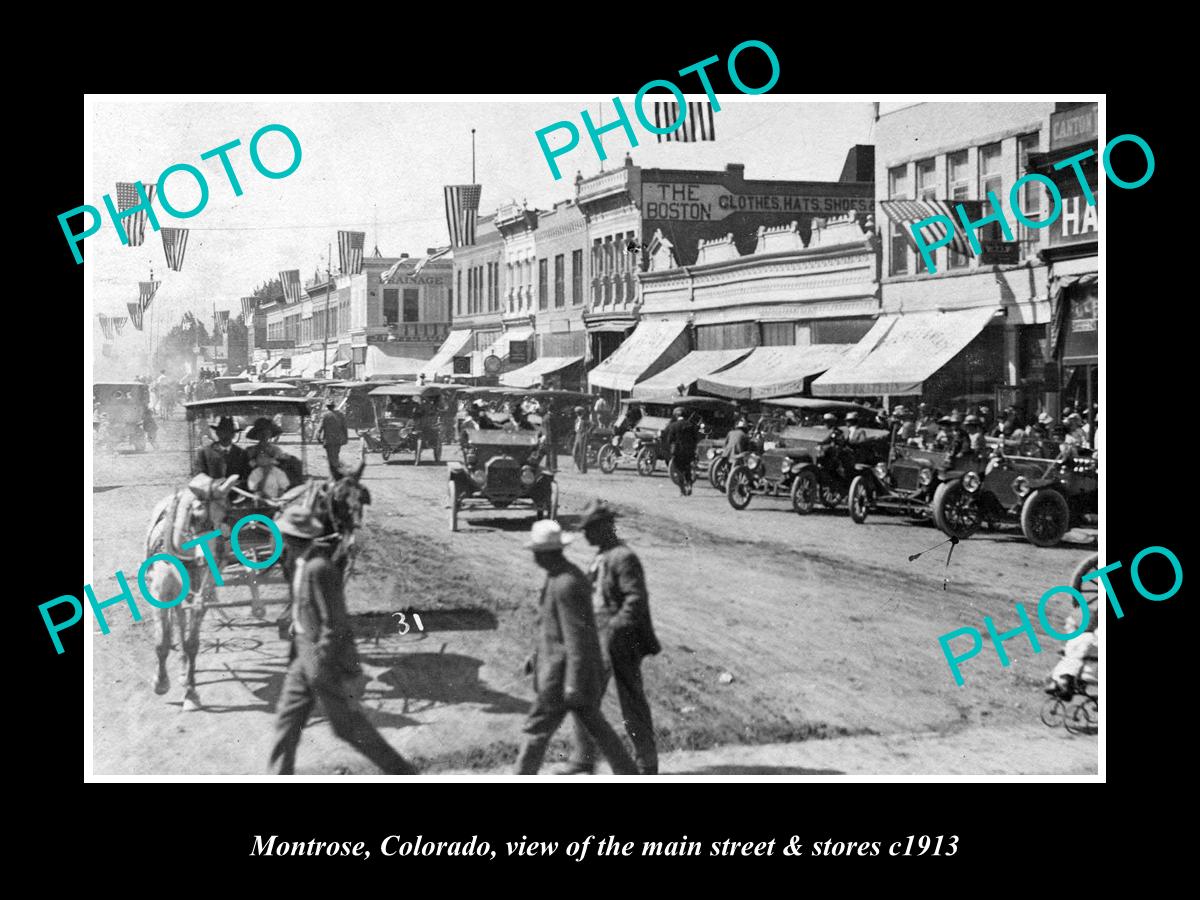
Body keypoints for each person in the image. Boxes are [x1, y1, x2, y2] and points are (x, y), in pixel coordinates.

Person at [268, 506, 418, 775]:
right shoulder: (299, 563)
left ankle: (403, 774)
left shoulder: (319, 568)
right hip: (303, 660)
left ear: (291, 539)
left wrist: (319, 666)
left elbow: (334, 624)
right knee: (286, 723)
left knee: (349, 728)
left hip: (321, 663)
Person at [513, 520, 639, 775]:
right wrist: (535, 657)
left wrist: (572, 684)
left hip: (562, 679)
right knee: (599, 729)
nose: (535, 558)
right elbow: (553, 631)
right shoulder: (559, 577)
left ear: (547, 553)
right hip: (569, 675)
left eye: (537, 552)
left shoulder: (566, 583)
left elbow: (577, 638)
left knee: (535, 732)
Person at [562, 500, 662, 775]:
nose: (585, 535)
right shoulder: (602, 556)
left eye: (590, 529)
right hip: (600, 638)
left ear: (605, 528)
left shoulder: (623, 557)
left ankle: (646, 765)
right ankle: (583, 758)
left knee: (632, 705)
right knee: (584, 697)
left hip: (623, 641)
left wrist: (616, 628)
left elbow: (635, 599)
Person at [197, 416, 250, 482]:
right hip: (212, 490)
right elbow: (200, 476)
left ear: (233, 435)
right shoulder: (205, 452)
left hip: (235, 491)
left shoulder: (242, 453)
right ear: (217, 433)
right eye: (223, 432)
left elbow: (245, 476)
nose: (226, 435)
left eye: (229, 432)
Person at [661, 406, 700, 496]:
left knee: (678, 470)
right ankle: (689, 484)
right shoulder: (691, 425)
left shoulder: (673, 426)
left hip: (678, 451)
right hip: (689, 451)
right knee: (687, 468)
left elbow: (669, 439)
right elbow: (695, 438)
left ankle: (682, 490)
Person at [316, 400, 349, 476]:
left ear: (327, 407)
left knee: (330, 456)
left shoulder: (325, 415)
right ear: (334, 406)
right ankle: (337, 470)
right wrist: (346, 438)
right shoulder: (340, 415)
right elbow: (344, 428)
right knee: (336, 455)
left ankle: (334, 472)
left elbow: (320, 428)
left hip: (328, 440)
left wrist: (318, 437)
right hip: (338, 440)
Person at [572, 406, 591, 474]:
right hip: (577, 435)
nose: (577, 414)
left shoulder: (584, 420)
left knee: (582, 453)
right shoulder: (576, 420)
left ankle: (583, 470)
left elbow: (593, 425)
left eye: (578, 413)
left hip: (583, 436)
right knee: (574, 452)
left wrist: (587, 432)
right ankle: (579, 467)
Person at [541, 401, 558, 473]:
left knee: (548, 453)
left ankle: (547, 466)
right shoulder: (551, 417)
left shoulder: (544, 417)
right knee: (552, 453)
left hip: (546, 436)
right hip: (551, 436)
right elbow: (554, 428)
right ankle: (553, 467)